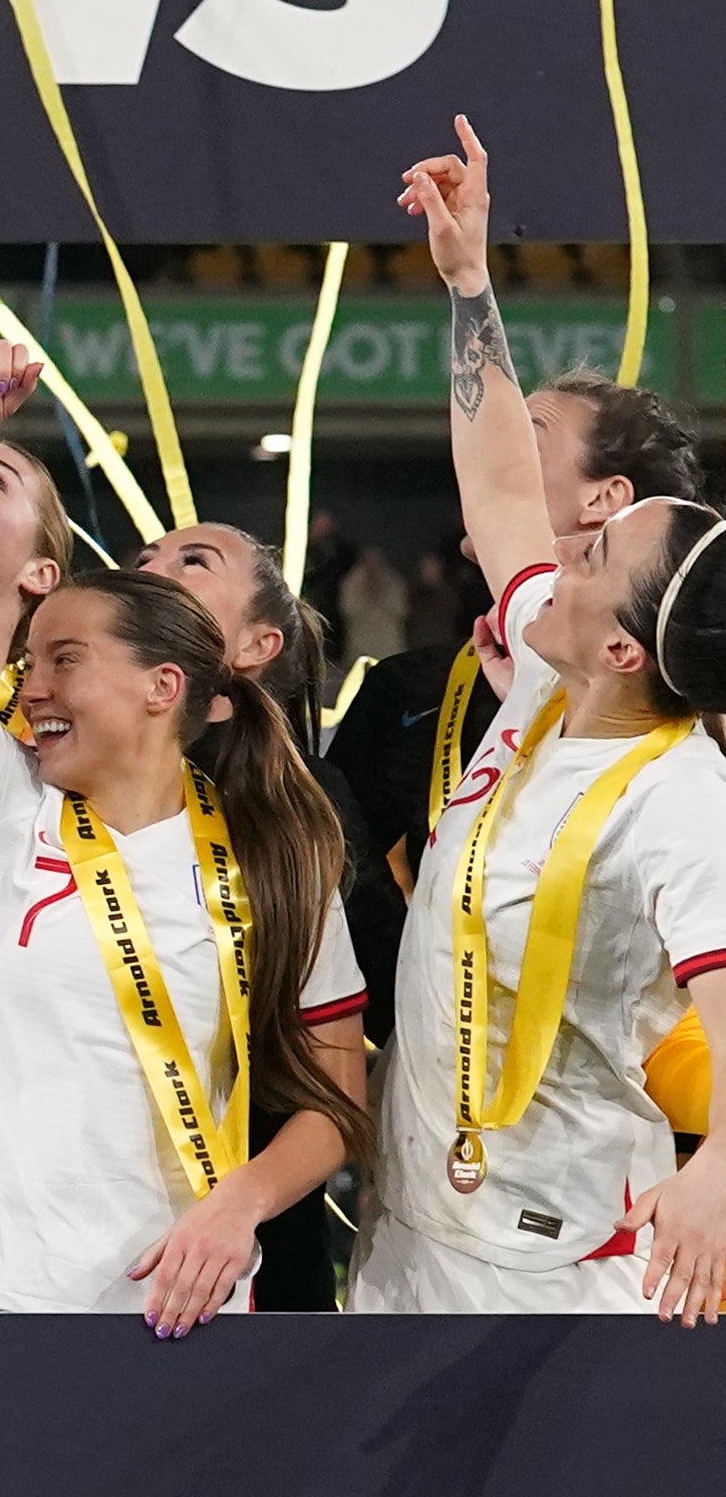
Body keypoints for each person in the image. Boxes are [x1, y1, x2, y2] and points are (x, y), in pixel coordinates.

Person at [0, 343, 370, 1327]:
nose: (33, 685)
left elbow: (335, 1104)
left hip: (176, 1314)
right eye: (31, 656)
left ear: (160, 686)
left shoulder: (277, 858)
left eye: (64, 659)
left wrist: (241, 1204)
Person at [350, 120, 726, 1319]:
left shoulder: (682, 802)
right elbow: (502, 482)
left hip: (557, 1271)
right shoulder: (544, 678)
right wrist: (466, 280)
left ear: (623, 644)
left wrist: (721, 1165)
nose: (540, 565)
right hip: (413, 1229)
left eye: (591, 556)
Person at [326, 368, 702, 1056]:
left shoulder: (692, 753)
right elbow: (336, 870)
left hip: (626, 1121)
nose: (486, 450)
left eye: (524, 436)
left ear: (605, 499)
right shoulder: (423, 686)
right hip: (434, 1096)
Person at [132, 522, 390, 1309]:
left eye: (192, 562)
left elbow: (347, 1056)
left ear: (255, 644)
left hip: (253, 1240)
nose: (152, 570)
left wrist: (244, 1201)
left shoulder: (299, 814)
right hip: (56, 1235)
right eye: (141, 561)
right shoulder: (43, 775)